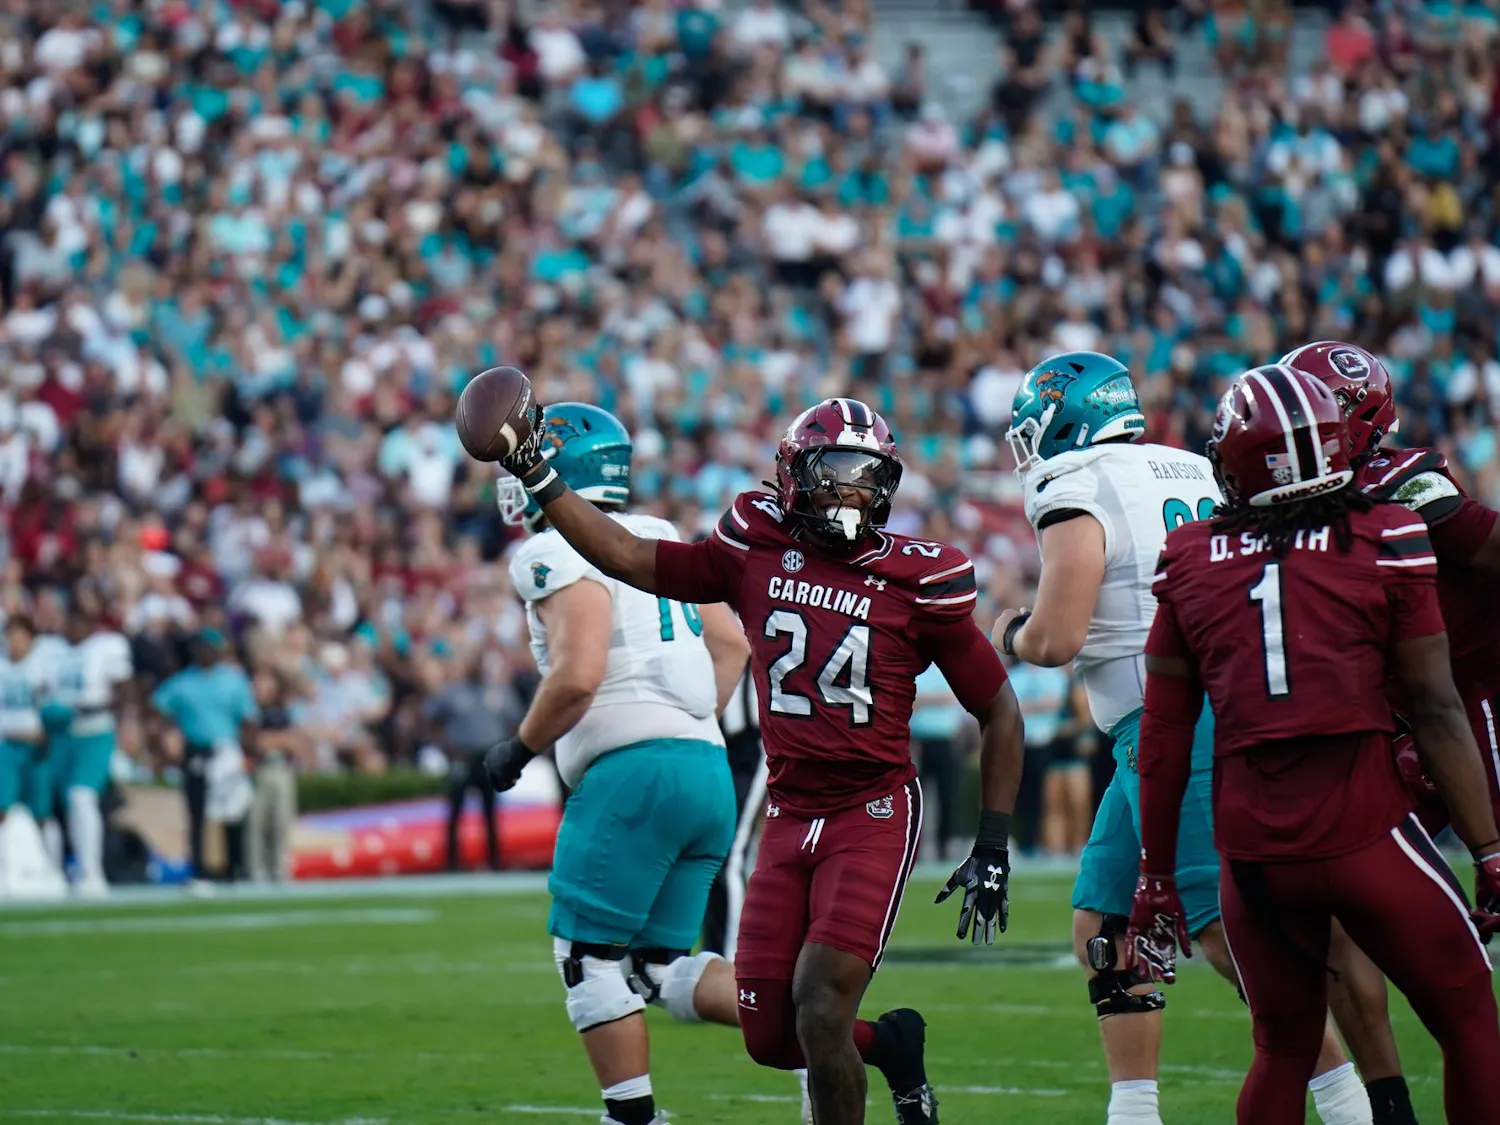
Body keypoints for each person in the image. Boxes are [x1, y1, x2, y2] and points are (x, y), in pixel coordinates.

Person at [494, 391, 1025, 1125]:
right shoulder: (755, 545)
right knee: (771, 1036)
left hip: (871, 809)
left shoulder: (916, 579)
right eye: (835, 469)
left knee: (820, 1003)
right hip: (790, 809)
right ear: (793, 473)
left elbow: (998, 708)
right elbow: (626, 555)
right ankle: (896, 1046)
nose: (852, 489)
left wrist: (991, 842)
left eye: (869, 474)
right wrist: (540, 474)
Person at [996, 351, 1373, 1125]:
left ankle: (1347, 1103)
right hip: (1207, 709)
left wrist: (1006, 632)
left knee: (1226, 934)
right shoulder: (1189, 467)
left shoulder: (1075, 485)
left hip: (1174, 724)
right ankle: (1134, 1111)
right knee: (1103, 923)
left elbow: (1059, 636)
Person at [1126, 362, 1500, 1124]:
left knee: (1283, 1049)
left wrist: (1156, 874)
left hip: (1255, 853)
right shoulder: (1388, 530)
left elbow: (1162, 734)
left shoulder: (1190, 556)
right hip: (1364, 830)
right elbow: (1435, 707)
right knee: (1468, 1021)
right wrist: (1490, 850)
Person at [484, 403, 754, 1125]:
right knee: (658, 969)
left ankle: (631, 1118)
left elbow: (577, 673)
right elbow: (731, 644)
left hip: (633, 774)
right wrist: (692, 720)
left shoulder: (554, 549)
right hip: (705, 768)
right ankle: (841, 1028)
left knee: (589, 960)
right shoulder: (661, 533)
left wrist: (517, 749)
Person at [1285, 339, 1500, 1124]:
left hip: (1470, 709)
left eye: (1313, 411)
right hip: (1392, 725)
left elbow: (1481, 541)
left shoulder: (1401, 476)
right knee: (1335, 914)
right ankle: (1387, 1106)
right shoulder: (1293, 494)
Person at [151, 629, 260, 886]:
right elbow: (157, 711)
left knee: (234, 810)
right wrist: (166, 741)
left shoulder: (233, 680)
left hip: (227, 750)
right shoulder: (183, 682)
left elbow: (248, 719)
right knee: (198, 812)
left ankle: (236, 866)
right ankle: (201, 869)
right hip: (197, 750)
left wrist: (249, 752)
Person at [50, 605, 133, 896]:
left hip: (95, 731)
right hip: (60, 735)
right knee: (59, 805)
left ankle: (92, 872)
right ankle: (55, 873)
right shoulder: (51, 650)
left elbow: (123, 692)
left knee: (82, 797)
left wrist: (98, 711)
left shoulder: (106, 647)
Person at [426, 654, 523, 872]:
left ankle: (495, 860)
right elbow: (432, 721)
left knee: (490, 811)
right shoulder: (452, 693)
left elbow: (515, 721)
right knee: (455, 809)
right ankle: (451, 862)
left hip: (489, 757)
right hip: (463, 756)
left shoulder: (498, 693)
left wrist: (506, 749)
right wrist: (446, 748)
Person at [0, 615, 65, 893]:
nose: (15, 642)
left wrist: (46, 731)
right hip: (6, 744)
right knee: (3, 808)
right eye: (10, 635)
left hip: (36, 746)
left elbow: (54, 706)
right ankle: (6, 870)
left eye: (20, 635)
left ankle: (52, 869)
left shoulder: (41, 668)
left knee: (41, 812)